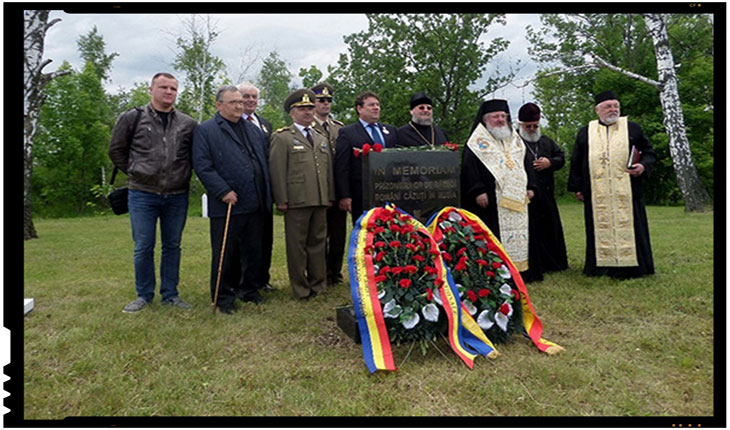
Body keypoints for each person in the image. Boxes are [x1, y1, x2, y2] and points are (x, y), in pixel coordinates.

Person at [109, 72, 198, 313]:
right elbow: (116, 150)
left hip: (177, 194)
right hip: (142, 193)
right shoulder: (132, 118)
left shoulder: (188, 124)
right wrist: (135, 171)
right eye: (163, 87)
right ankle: (144, 295)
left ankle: (170, 294)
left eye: (173, 88)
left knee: (172, 245)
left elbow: (194, 156)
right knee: (143, 245)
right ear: (151, 89)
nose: (169, 92)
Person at [193, 86, 271, 314]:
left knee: (254, 249)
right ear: (219, 105)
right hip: (228, 202)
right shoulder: (206, 131)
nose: (239, 105)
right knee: (226, 252)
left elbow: (262, 162)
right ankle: (224, 296)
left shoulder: (253, 130)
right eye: (233, 102)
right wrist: (222, 190)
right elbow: (202, 165)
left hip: (255, 200)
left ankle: (249, 290)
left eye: (240, 101)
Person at [567, 91, 656, 278]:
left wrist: (642, 166)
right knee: (597, 228)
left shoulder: (632, 129)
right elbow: (577, 160)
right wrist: (578, 188)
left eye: (616, 106)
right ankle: (600, 267)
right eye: (608, 106)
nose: (613, 110)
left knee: (633, 227)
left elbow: (649, 153)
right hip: (596, 192)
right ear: (597, 110)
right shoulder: (586, 132)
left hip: (628, 191)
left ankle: (634, 267)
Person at [460, 99, 541, 282]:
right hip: (491, 199)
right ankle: (499, 272)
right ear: (486, 119)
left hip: (519, 198)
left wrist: (531, 186)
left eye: (503, 116)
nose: (500, 120)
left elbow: (526, 163)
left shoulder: (515, 139)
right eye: (495, 116)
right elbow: (469, 169)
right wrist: (478, 190)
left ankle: (523, 272)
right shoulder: (476, 142)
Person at [269, 89, 335, 300]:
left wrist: (330, 195)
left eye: (309, 108)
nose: (307, 112)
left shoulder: (320, 136)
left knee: (318, 244)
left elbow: (327, 170)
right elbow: (277, 170)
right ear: (292, 112)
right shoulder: (283, 137)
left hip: (320, 198)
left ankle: (319, 284)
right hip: (297, 200)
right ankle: (301, 288)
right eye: (302, 109)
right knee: (297, 247)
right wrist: (281, 199)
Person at [517, 102, 568, 273]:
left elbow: (561, 157)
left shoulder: (546, 141)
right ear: (520, 125)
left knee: (549, 229)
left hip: (546, 192)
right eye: (528, 126)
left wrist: (550, 162)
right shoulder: (514, 142)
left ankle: (553, 263)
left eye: (535, 126)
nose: (532, 129)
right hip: (525, 194)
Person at [335, 90, 399, 224]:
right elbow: (342, 167)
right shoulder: (347, 133)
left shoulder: (390, 131)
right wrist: (344, 195)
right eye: (371, 105)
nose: (376, 108)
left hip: (390, 193)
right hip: (362, 195)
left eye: (377, 105)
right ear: (359, 108)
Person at [238, 82, 275, 293]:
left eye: (254, 97)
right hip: (245, 194)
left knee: (265, 238)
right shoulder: (234, 124)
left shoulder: (265, 124)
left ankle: (263, 278)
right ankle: (245, 281)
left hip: (265, 192)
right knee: (247, 241)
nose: (250, 100)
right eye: (246, 96)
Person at [310, 83, 347, 286]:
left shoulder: (339, 128)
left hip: (338, 189)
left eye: (328, 100)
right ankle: (319, 274)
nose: (325, 104)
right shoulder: (309, 127)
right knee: (318, 236)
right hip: (318, 190)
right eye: (320, 100)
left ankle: (335, 273)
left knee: (338, 235)